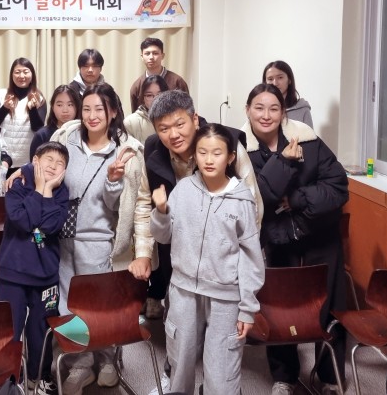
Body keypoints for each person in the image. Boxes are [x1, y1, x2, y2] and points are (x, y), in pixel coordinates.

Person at [244, 83, 348, 395]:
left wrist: (298, 198)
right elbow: (258, 197)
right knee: (278, 307)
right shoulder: (241, 149)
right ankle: (284, 376)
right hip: (277, 239)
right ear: (247, 111)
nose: (266, 115)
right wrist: (284, 162)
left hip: (320, 234)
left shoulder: (307, 139)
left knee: (330, 307)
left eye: (274, 108)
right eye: (259, 108)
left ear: (283, 113)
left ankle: (330, 377)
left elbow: (338, 186)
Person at [51, 84, 154, 395]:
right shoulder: (66, 140)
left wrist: (113, 181)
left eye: (99, 109)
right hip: (63, 238)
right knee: (68, 305)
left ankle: (108, 359)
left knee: (100, 307)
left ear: (112, 112)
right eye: (87, 109)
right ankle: (80, 363)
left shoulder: (125, 152)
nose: (92, 115)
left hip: (99, 242)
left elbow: (121, 207)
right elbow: (48, 172)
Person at [150, 124, 264, 395]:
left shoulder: (242, 200)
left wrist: (248, 308)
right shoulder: (183, 190)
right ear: (195, 155)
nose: (209, 160)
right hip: (183, 291)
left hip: (226, 297)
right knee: (180, 363)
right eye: (202, 153)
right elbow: (163, 237)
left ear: (231, 157)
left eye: (217, 153)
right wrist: (161, 211)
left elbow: (251, 258)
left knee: (222, 371)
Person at [0, 141, 70, 395]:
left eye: (60, 163)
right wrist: (39, 190)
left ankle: (39, 376)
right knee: (9, 329)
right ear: (35, 161)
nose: (53, 166)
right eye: (49, 159)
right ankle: (8, 380)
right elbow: (22, 221)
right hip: (13, 273)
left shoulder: (62, 192)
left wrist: (47, 190)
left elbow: (50, 226)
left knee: (41, 329)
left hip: (45, 275)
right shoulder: (16, 186)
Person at [0, 57, 47, 170]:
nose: (21, 76)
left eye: (25, 72)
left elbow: (38, 129)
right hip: (1, 158)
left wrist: (32, 109)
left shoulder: (39, 98)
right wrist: (4, 108)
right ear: (12, 75)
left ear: (32, 75)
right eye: (17, 72)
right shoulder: (0, 94)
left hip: (26, 160)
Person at [129, 38, 189, 113]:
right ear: (142, 57)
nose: (151, 57)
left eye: (155, 53)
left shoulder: (177, 82)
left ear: (162, 55)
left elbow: (187, 111)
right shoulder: (136, 86)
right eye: (147, 54)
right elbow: (135, 115)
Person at [30, 84, 81, 159]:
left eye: (70, 105)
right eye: (59, 105)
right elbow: (34, 163)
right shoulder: (42, 135)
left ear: (77, 107)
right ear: (53, 107)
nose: (65, 110)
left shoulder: (84, 133)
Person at [263, 60, 313, 127]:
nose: (275, 83)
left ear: (289, 80)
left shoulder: (303, 110)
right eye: (270, 79)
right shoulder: (259, 109)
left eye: (280, 77)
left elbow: (309, 133)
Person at [123, 74, 168, 145]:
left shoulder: (174, 119)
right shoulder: (130, 122)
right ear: (143, 98)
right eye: (149, 95)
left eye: (159, 95)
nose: (155, 99)